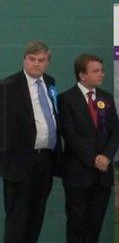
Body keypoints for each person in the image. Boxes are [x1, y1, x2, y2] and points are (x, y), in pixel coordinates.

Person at [58, 54, 119, 242]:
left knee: (95, 225)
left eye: (101, 70)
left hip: (102, 175)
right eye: (96, 71)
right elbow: (70, 135)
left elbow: (115, 133)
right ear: (82, 75)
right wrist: (93, 158)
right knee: (77, 225)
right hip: (78, 173)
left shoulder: (106, 98)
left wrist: (107, 156)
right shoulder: (66, 99)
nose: (101, 74)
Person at [2, 41, 60, 243]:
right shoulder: (8, 86)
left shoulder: (51, 83)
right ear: (24, 60)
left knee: (36, 218)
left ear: (47, 62)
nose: (36, 64)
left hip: (44, 161)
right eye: (32, 59)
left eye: (41, 60)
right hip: (19, 164)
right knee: (17, 221)